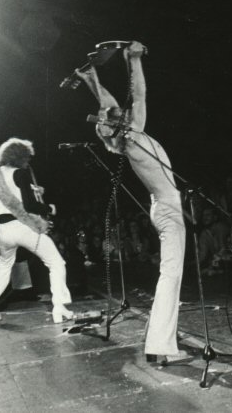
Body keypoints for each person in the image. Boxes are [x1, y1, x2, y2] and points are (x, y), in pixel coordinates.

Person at [76, 41, 186, 362]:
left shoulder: (128, 138)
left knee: (171, 274)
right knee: (171, 275)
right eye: (119, 115)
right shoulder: (133, 136)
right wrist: (133, 58)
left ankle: (161, 337)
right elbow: (133, 99)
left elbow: (115, 104)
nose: (124, 111)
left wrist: (91, 77)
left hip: (163, 207)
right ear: (120, 123)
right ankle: (160, 346)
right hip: (168, 209)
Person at [0, 138, 74, 325]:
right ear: (20, 157)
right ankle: (59, 307)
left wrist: (32, 190)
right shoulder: (21, 173)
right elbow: (29, 206)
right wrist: (49, 208)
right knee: (56, 263)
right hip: (22, 228)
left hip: (3, 231)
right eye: (27, 158)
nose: (28, 162)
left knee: (3, 265)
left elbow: (10, 195)